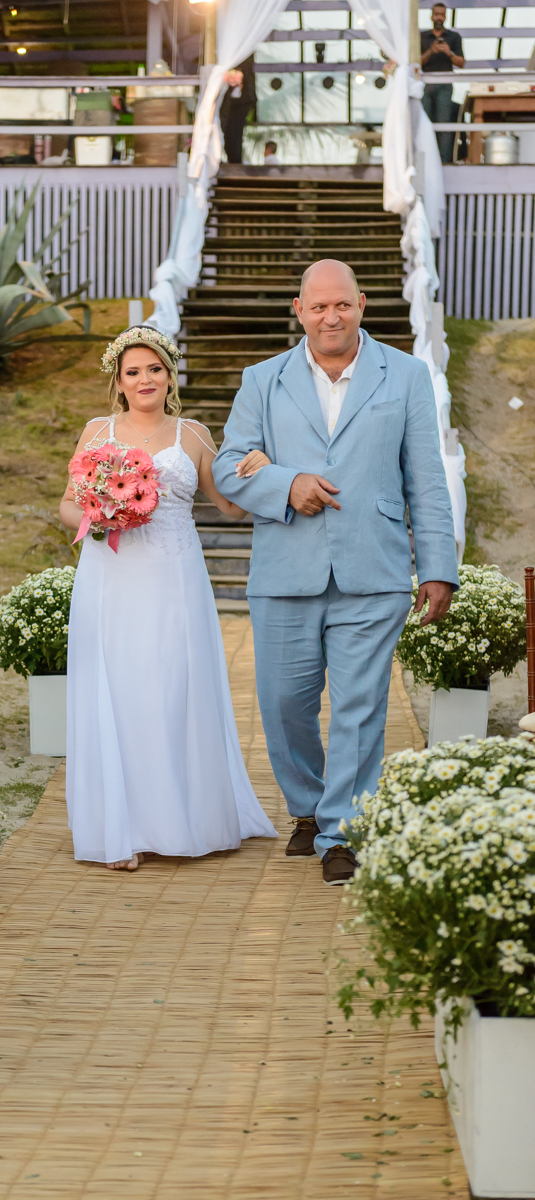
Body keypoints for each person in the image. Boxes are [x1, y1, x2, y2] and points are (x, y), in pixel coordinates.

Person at [212, 259, 459, 886]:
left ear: (362, 304)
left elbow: (427, 481)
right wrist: (285, 483)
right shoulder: (262, 380)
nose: (331, 316)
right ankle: (307, 807)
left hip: (373, 570)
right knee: (283, 705)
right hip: (284, 570)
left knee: (360, 707)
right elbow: (228, 464)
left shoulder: (405, 375)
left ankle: (341, 832)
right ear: (299, 310)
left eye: (342, 304)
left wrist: (438, 567)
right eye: (318, 306)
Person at [59, 326, 277, 870]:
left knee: (173, 690)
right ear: (118, 381)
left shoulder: (193, 435)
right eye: (133, 371)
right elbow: (66, 504)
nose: (144, 379)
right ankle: (122, 829)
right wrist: (100, 512)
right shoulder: (96, 432)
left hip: (175, 582)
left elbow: (230, 506)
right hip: (110, 578)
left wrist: (261, 467)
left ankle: (183, 819)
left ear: (169, 375)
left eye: (154, 369)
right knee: (118, 690)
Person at [421, 3, 464, 164]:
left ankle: (444, 161)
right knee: (425, 122)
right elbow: (416, 62)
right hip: (426, 84)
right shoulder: (422, 37)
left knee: (444, 123)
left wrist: (448, 52)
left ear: (445, 17)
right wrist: (430, 51)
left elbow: (461, 62)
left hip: (445, 85)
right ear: (431, 16)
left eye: (442, 15)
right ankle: (426, 158)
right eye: (437, 14)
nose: (439, 17)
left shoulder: (453, 37)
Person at [219, 57, 256, 165]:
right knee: (228, 136)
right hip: (229, 115)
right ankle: (231, 158)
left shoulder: (246, 93)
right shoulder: (228, 93)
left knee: (235, 137)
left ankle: (235, 159)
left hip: (238, 115)